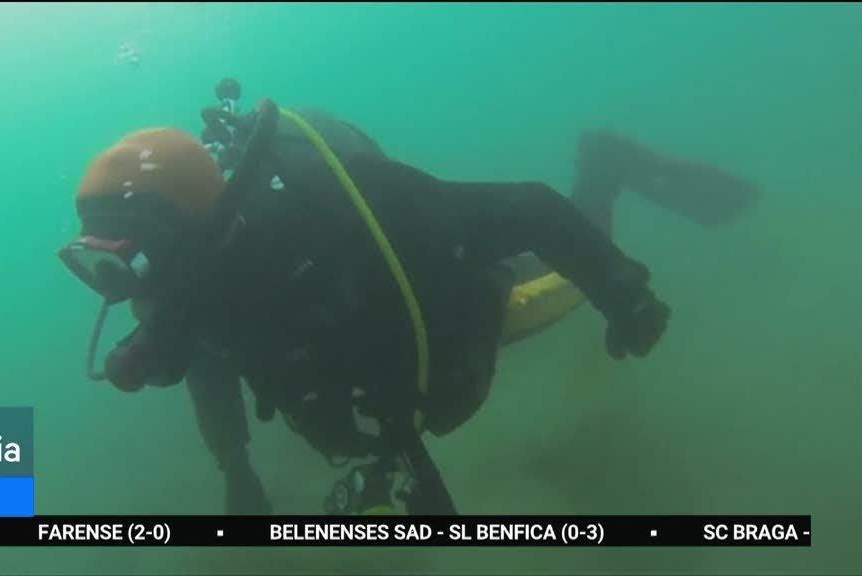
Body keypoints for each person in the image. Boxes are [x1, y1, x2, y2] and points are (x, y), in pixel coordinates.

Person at [59, 79, 759, 515]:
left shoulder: (346, 209)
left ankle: (602, 165)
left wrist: (622, 293)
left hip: (469, 312)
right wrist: (237, 472)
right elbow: (205, 365)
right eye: (105, 259)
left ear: (190, 226)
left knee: (563, 269)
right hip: (378, 382)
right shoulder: (185, 291)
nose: (125, 283)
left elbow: (533, 209)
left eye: (134, 252)